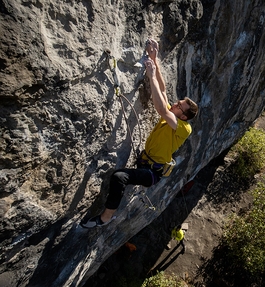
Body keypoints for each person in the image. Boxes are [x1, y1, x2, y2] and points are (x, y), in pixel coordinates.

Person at [81, 39, 198, 228]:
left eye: (179, 106)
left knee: (119, 177)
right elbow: (162, 90)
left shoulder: (183, 128)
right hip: (145, 161)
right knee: (121, 177)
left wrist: (150, 76)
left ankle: (105, 219)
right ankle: (106, 215)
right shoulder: (173, 115)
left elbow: (161, 108)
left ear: (183, 116)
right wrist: (154, 59)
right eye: (178, 102)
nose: (175, 104)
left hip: (152, 173)